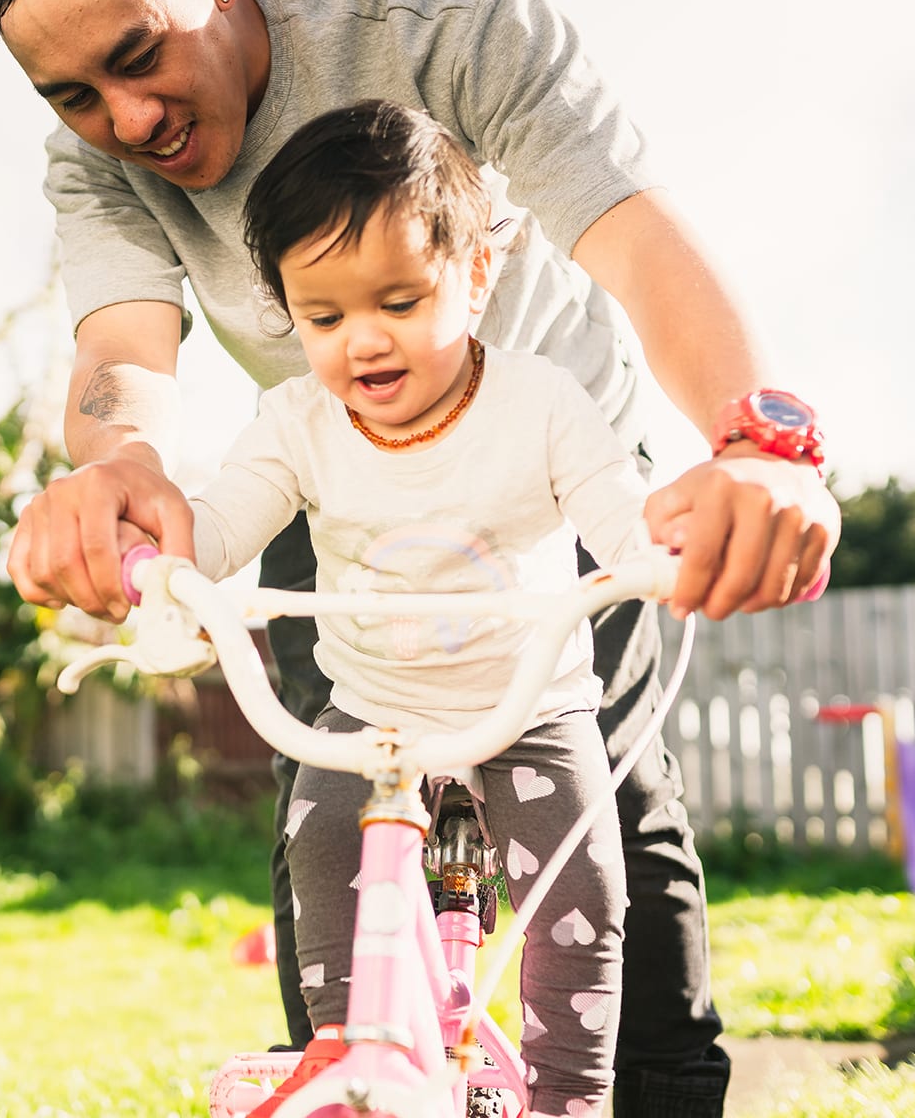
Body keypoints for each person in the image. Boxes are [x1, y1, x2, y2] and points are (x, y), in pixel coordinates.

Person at [0, 0, 841, 1115]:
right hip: (334, 485)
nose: (126, 117)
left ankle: (630, 1091)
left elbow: (631, 235)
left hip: (549, 486)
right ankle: (359, 1072)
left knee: (606, 818)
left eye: (138, 57)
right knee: (324, 813)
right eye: (72, 95)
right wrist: (117, 470)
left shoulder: (443, 22)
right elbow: (123, 348)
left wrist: (755, 444)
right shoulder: (98, 157)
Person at [193, 97, 652, 1117]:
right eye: (323, 317)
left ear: (478, 272)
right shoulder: (297, 421)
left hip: (525, 710)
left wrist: (659, 555)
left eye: (398, 300)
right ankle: (352, 1067)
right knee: (314, 842)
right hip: (374, 713)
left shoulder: (537, 403)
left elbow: (619, 517)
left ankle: (570, 1099)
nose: (363, 342)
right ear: (285, 308)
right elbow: (214, 526)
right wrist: (155, 563)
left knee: (583, 896)